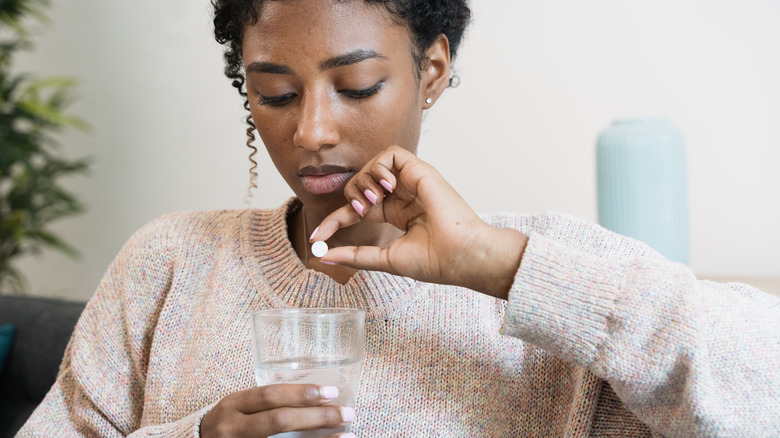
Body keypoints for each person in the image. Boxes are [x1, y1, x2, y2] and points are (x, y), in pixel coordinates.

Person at [17, 0, 780, 437]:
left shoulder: (544, 274)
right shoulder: (170, 264)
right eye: (276, 94)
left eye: (355, 85)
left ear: (432, 71)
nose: (311, 130)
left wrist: (501, 264)